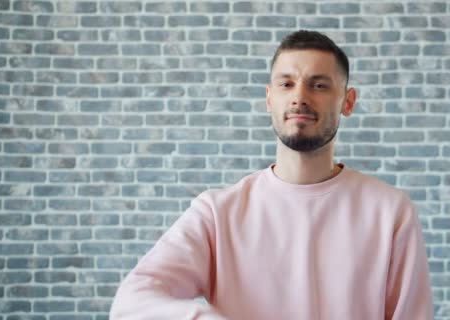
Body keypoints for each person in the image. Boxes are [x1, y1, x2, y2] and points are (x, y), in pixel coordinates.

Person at [109, 30, 433, 320]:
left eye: (319, 85)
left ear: (348, 102)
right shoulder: (217, 213)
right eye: (286, 83)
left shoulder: (391, 212)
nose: (300, 96)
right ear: (269, 98)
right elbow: (132, 302)